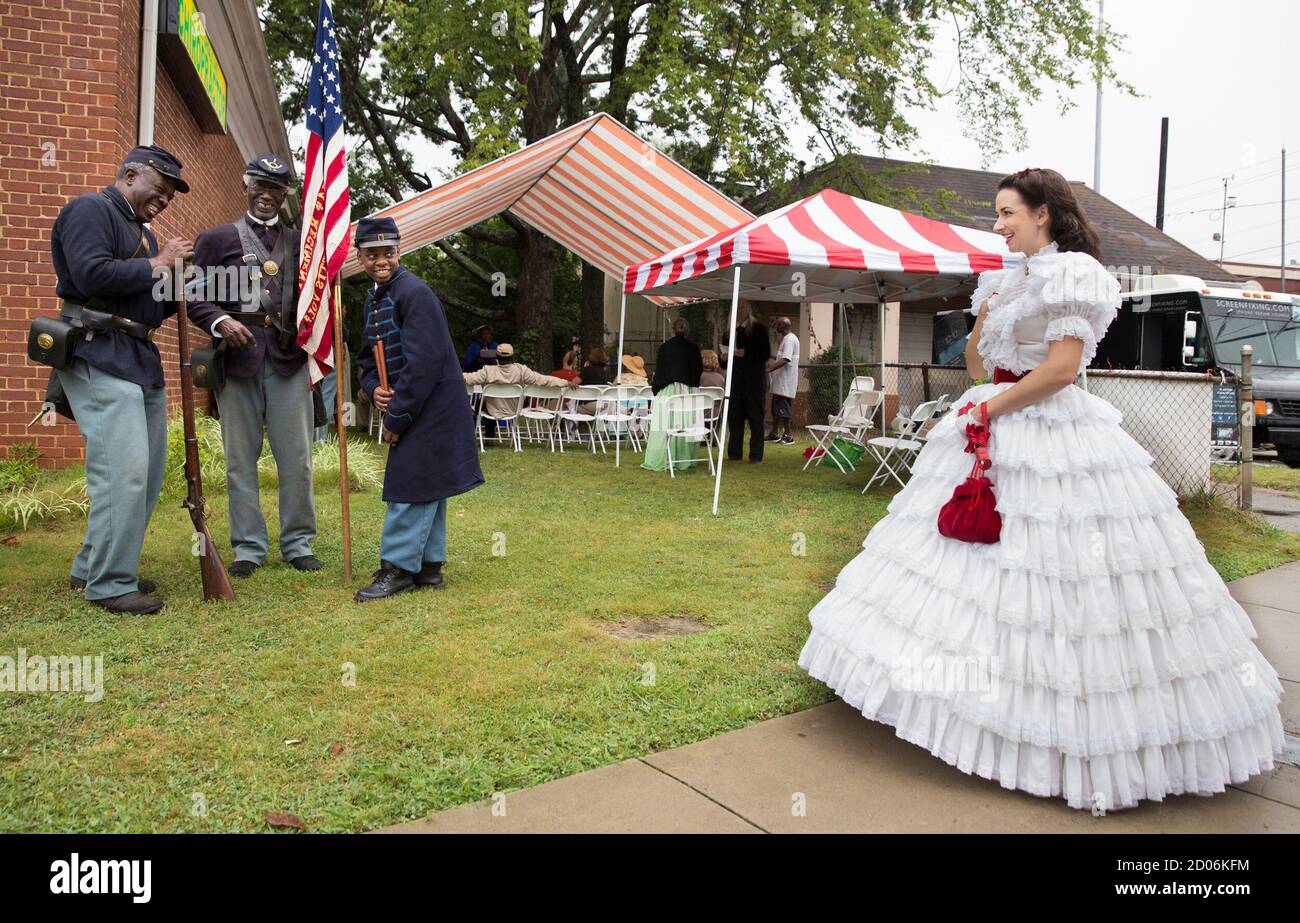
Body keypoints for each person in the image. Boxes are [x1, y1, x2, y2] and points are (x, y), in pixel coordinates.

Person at [797, 167, 1285, 811]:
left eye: (1006, 213)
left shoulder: (1074, 274)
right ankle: (952, 698)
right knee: (961, 568)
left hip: (1046, 428)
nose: (997, 225)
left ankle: (1070, 731)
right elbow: (977, 365)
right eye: (997, 214)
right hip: (992, 417)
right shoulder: (1003, 281)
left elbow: (1060, 369)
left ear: (1043, 214)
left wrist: (989, 412)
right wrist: (984, 328)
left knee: (1053, 572)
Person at [53, 145, 193, 614]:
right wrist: (158, 265)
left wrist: (176, 283)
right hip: (97, 350)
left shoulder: (146, 237)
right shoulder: (89, 210)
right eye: (161, 189)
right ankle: (111, 583)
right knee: (123, 471)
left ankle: (91, 564)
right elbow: (90, 273)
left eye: (170, 196)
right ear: (130, 174)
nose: (164, 201)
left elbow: (149, 304)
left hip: (137, 355)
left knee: (147, 475)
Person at [187, 154, 321, 579]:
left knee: (297, 458)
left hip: (288, 360)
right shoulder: (216, 238)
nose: (267, 195)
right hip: (237, 361)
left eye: (276, 189)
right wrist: (220, 320)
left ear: (285, 196)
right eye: (259, 186)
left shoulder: (303, 243)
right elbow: (192, 295)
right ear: (245, 187)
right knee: (239, 460)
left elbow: (317, 296)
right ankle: (248, 547)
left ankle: (298, 543)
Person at [353, 217, 484, 602]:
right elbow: (366, 358)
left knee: (409, 484)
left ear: (399, 251)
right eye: (372, 254)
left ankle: (397, 568)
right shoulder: (375, 298)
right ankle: (428, 567)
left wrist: (397, 416)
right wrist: (373, 388)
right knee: (427, 482)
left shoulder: (414, 292)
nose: (381, 260)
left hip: (433, 405)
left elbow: (423, 364)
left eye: (388, 252)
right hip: (414, 403)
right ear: (360, 257)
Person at [642, 317, 705, 472]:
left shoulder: (665, 348)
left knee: (665, 424)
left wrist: (657, 386)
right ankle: (685, 458)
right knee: (685, 424)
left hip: (669, 391)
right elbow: (698, 371)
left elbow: (661, 370)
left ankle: (663, 456)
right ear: (687, 330)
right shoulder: (694, 348)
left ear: (673, 330)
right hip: (688, 392)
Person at [462, 343, 572, 422]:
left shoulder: (488, 371)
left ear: (497, 357)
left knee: (480, 403)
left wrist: (451, 375)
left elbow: (470, 378)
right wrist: (565, 382)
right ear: (512, 356)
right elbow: (543, 379)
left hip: (493, 410)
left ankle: (481, 434)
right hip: (514, 410)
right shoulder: (521, 370)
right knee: (487, 402)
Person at [722, 298, 770, 462]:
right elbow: (723, 363)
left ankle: (756, 455)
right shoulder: (729, 332)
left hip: (753, 383)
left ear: (748, 309)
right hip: (735, 382)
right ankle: (734, 453)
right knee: (734, 418)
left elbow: (764, 355)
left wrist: (746, 354)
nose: (739, 310)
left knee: (756, 419)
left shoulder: (759, 329)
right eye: (736, 307)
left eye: (742, 307)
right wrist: (723, 357)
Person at [766, 316, 799, 445]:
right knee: (776, 409)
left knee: (784, 410)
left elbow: (786, 359)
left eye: (778, 325)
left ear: (784, 326)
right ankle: (774, 433)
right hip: (780, 382)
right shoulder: (787, 339)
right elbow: (782, 356)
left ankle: (788, 435)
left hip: (785, 382)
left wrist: (769, 369)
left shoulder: (790, 339)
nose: (776, 327)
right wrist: (769, 355)